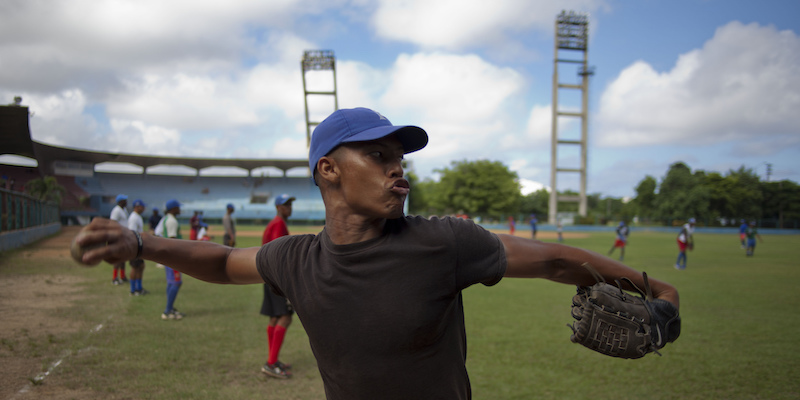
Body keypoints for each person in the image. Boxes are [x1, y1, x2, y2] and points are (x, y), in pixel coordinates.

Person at [73, 107, 679, 400]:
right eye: (382, 157)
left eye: (402, 160)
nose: (400, 172)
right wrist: (140, 242)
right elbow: (223, 262)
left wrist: (655, 288)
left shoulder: (442, 242)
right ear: (329, 169)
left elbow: (552, 260)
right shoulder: (296, 258)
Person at [259, 193, 297, 379]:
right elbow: (277, 253)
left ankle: (272, 360)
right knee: (285, 318)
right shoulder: (278, 224)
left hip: (268, 277)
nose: (289, 207)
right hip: (277, 278)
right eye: (286, 204)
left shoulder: (275, 223)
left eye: (290, 204)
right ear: (278, 207)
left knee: (274, 318)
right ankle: (271, 363)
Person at [155, 199, 185, 320]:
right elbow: (173, 241)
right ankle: (167, 311)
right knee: (176, 282)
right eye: (178, 207)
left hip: (168, 257)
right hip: (173, 257)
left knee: (171, 282)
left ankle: (170, 308)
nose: (180, 209)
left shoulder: (166, 219)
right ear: (173, 209)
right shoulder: (172, 221)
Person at [127, 199, 148, 296]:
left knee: (141, 266)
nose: (144, 208)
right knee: (135, 267)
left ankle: (139, 288)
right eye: (142, 206)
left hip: (139, 246)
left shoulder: (138, 217)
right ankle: (133, 290)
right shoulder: (134, 218)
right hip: (135, 247)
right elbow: (132, 233)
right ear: (137, 206)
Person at [109, 194, 129, 285]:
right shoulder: (116, 211)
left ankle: (123, 276)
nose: (126, 202)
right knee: (117, 257)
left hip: (125, 236)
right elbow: (113, 223)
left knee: (123, 257)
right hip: (118, 237)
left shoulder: (124, 210)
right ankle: (114, 278)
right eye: (125, 200)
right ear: (120, 201)